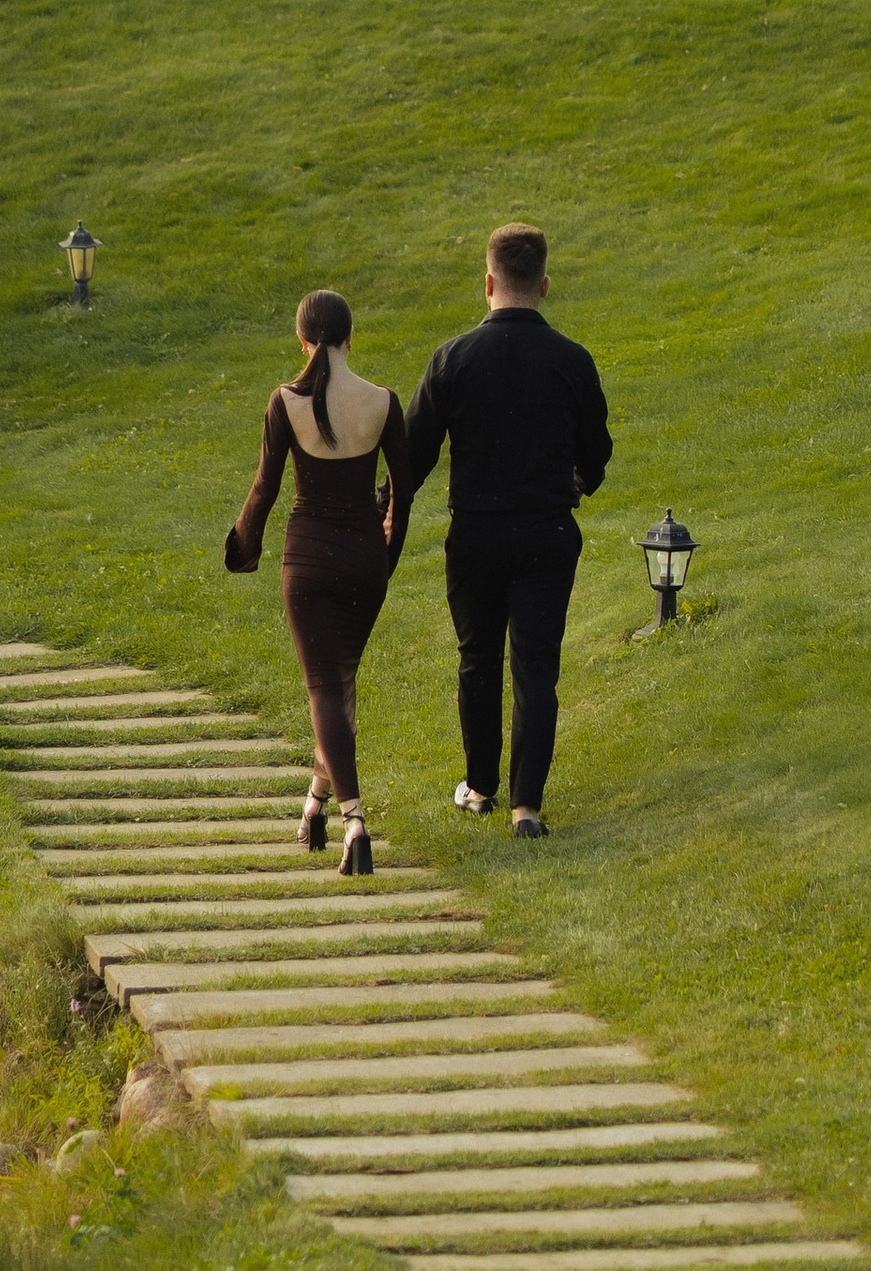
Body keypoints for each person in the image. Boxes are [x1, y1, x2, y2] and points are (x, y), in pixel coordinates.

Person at [405, 222, 611, 839]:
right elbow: (595, 452)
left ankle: (481, 786)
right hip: (547, 533)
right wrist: (579, 479)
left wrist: (386, 506)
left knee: (478, 660)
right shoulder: (573, 361)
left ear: (488, 282)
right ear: (544, 284)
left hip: (476, 535)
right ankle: (527, 806)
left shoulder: (454, 358)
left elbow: (414, 453)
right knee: (536, 668)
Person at [225, 287, 411, 878]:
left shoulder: (285, 402)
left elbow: (265, 488)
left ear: (302, 341)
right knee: (341, 682)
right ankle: (316, 806)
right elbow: (402, 494)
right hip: (364, 561)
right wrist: (388, 556)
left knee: (325, 689)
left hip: (306, 564)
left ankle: (356, 818)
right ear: (351, 337)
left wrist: (243, 545)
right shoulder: (384, 403)